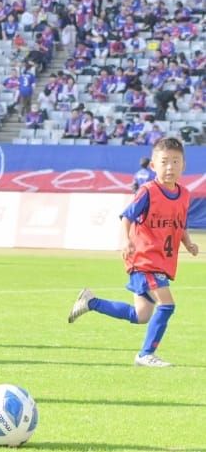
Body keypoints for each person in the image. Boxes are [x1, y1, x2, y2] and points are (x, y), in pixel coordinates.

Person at [68, 138, 199, 367]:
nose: (170, 167)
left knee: (141, 315)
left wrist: (188, 242)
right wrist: (126, 241)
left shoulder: (185, 194)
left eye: (175, 161)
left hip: (162, 262)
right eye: (164, 162)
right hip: (145, 259)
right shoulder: (148, 191)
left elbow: (180, 223)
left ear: (183, 165)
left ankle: (91, 302)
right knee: (167, 305)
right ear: (153, 166)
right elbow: (127, 217)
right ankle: (145, 354)